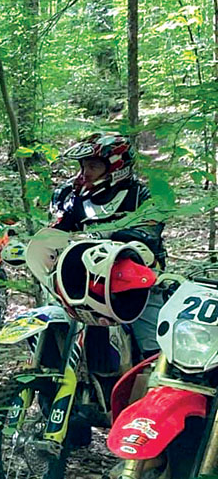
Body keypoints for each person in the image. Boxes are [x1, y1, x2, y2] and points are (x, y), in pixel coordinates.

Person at [50, 132, 163, 354]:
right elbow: (56, 231)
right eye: (83, 166)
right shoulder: (75, 196)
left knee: (153, 341)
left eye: (93, 166)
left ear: (115, 166)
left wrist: (106, 235)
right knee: (55, 314)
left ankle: (154, 369)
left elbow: (149, 233)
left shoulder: (141, 195)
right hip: (85, 278)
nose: (85, 173)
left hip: (134, 278)